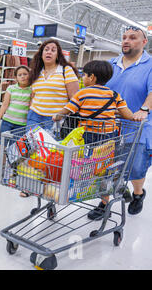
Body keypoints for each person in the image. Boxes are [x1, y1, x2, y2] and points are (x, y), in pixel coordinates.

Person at [52, 60, 134, 220]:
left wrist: (57, 116)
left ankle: (91, 192)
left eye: (84, 75)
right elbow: (127, 115)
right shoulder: (114, 95)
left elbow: (67, 110)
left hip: (88, 136)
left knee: (90, 165)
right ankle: (112, 190)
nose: (82, 78)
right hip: (109, 137)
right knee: (106, 167)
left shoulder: (82, 93)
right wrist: (113, 114)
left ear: (92, 77)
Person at [105, 26, 152, 216]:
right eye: (124, 37)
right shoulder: (111, 63)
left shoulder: (150, 64)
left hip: (138, 125)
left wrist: (144, 109)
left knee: (135, 165)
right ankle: (104, 203)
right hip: (108, 124)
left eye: (132, 37)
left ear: (144, 42)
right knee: (104, 165)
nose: (126, 40)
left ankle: (138, 193)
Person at [0, 65, 32, 197]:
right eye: (20, 75)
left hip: (21, 125)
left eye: (25, 74)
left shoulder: (32, 90)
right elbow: (5, 105)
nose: (22, 76)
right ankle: (3, 168)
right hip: (7, 121)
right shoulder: (11, 88)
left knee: (17, 150)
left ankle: (15, 170)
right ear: (16, 78)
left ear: (29, 75)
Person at [27, 39, 80, 129]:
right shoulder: (36, 72)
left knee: (49, 143)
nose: (49, 52)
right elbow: (33, 95)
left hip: (55, 118)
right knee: (32, 143)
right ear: (41, 54)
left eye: (53, 50)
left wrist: (62, 114)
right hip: (34, 116)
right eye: (46, 49)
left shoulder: (66, 70)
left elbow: (75, 98)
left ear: (57, 55)